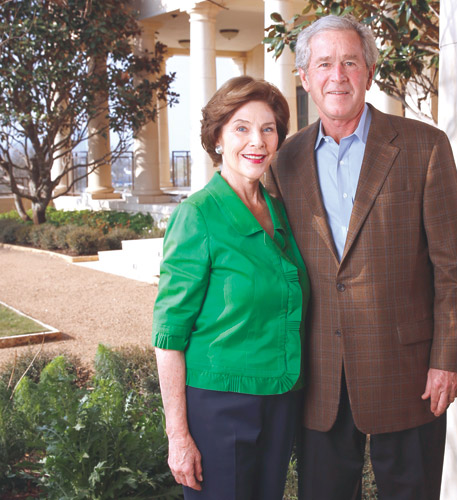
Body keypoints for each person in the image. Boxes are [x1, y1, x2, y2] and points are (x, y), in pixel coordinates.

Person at [266, 15, 457, 499]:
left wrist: (449, 358)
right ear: (304, 77)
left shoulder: (424, 147)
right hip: (319, 377)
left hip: (409, 374)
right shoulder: (285, 162)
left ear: (370, 71)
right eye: (324, 64)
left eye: (349, 62)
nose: (337, 75)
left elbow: (454, 268)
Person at [152, 76, 309, 500]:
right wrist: (178, 436)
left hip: (278, 401)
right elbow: (168, 336)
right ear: (218, 138)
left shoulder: (278, 209)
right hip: (219, 409)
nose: (256, 141)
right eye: (241, 128)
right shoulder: (197, 215)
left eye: (268, 128)